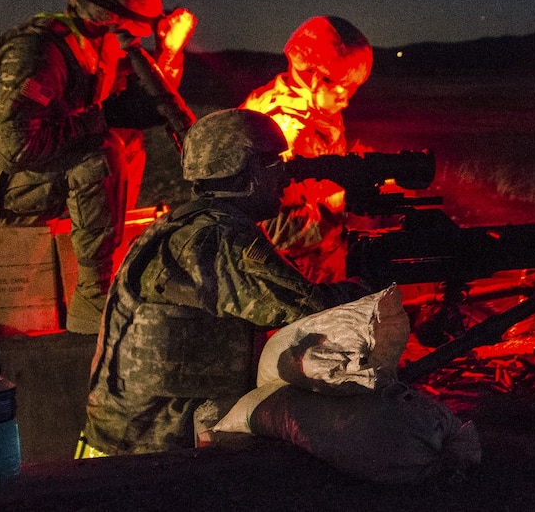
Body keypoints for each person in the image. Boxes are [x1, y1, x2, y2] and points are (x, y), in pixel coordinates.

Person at [79, 108, 370, 456]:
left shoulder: (180, 226)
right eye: (273, 163)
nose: (285, 176)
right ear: (246, 170)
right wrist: (369, 283)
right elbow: (311, 311)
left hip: (125, 437)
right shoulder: (221, 239)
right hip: (149, 451)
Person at [0, 0, 195, 334]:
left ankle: (103, 262)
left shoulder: (87, 44)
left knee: (126, 143)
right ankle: (93, 299)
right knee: (101, 153)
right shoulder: (37, 51)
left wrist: (167, 55)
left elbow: (143, 93)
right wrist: (105, 116)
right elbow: (16, 150)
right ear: (111, 14)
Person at [241, 16, 373, 282]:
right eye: (340, 91)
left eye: (351, 91)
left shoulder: (317, 110)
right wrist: (345, 210)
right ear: (310, 75)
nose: (345, 102)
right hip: (290, 276)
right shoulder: (276, 129)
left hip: (322, 262)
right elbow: (271, 233)